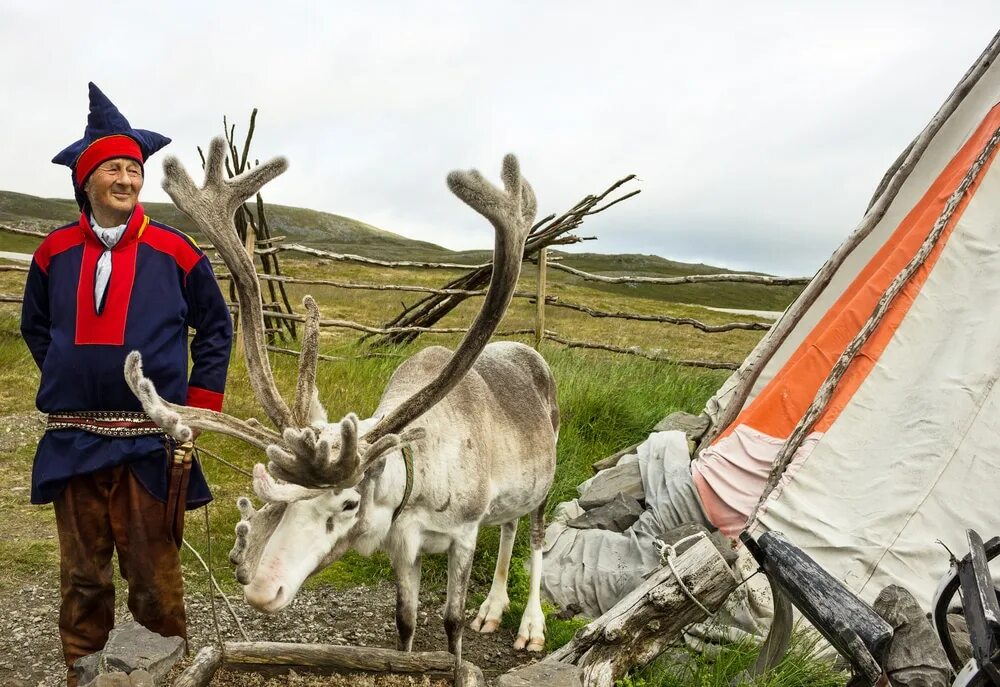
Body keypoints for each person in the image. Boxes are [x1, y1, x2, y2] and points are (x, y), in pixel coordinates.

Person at [19, 83, 233, 686]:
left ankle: (160, 676)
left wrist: (198, 409)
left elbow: (216, 328)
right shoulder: (53, 253)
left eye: (134, 169)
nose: (126, 179)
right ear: (86, 181)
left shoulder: (176, 251)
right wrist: (67, 371)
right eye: (111, 167)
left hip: (150, 443)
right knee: (83, 578)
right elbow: (36, 327)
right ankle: (83, 674)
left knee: (155, 578)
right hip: (75, 442)